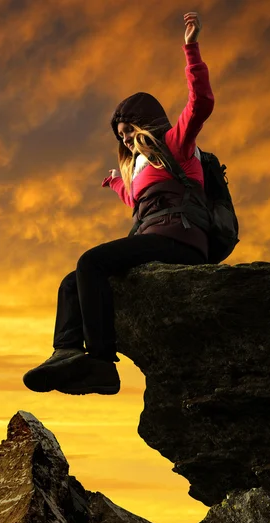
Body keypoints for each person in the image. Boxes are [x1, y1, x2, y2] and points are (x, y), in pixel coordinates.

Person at [23, 12, 213, 396]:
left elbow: (201, 103)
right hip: (158, 234)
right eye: (121, 135)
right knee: (71, 283)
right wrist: (115, 182)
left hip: (181, 239)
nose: (126, 140)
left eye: (129, 131)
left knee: (90, 262)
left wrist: (191, 49)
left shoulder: (175, 145)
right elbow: (139, 201)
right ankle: (66, 353)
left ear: (146, 123)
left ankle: (102, 363)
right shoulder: (140, 168)